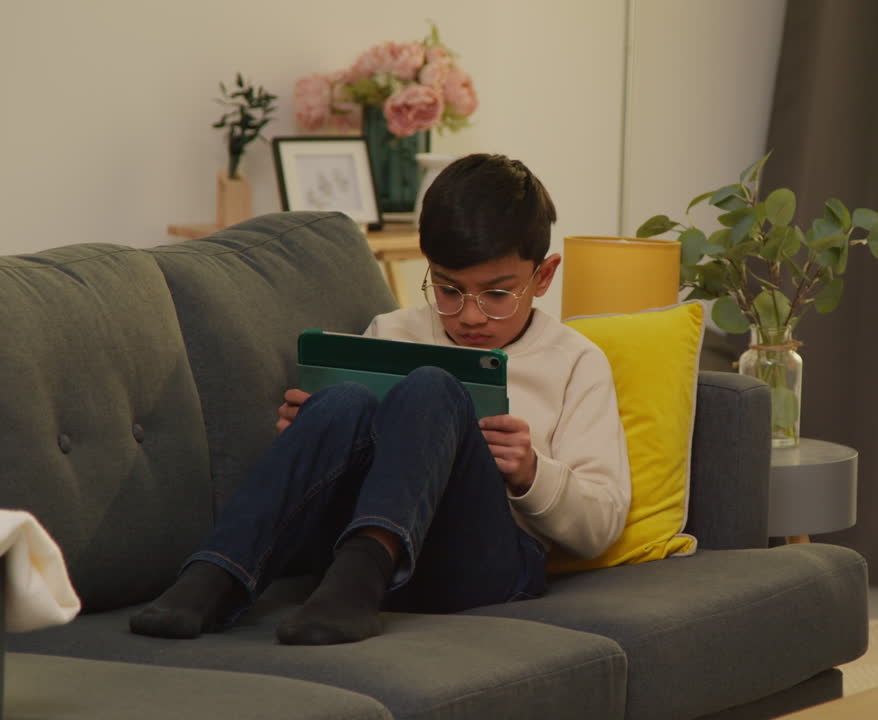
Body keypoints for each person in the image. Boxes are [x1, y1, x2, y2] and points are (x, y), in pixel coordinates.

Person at [130, 153, 630, 645]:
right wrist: (312, 428)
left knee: (433, 386)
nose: (470, 315)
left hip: (485, 563)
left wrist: (531, 472)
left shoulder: (575, 362)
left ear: (542, 276)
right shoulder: (391, 332)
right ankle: (215, 574)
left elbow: (601, 525)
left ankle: (360, 578)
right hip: (352, 553)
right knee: (343, 400)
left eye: (497, 295)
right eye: (449, 289)